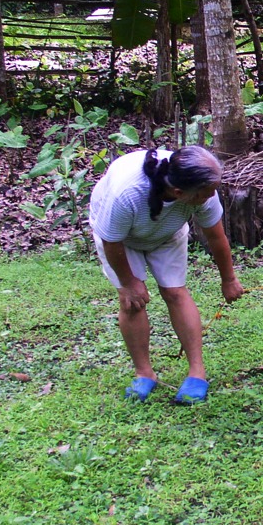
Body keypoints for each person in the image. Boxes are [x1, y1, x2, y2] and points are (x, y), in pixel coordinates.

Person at [88, 145, 243, 404]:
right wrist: (128, 283)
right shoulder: (127, 194)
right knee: (133, 302)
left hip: (167, 232)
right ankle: (144, 374)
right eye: (207, 193)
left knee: (174, 292)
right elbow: (111, 240)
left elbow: (216, 236)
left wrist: (228, 279)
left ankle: (197, 374)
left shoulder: (203, 190)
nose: (212, 196)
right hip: (119, 240)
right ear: (179, 192)